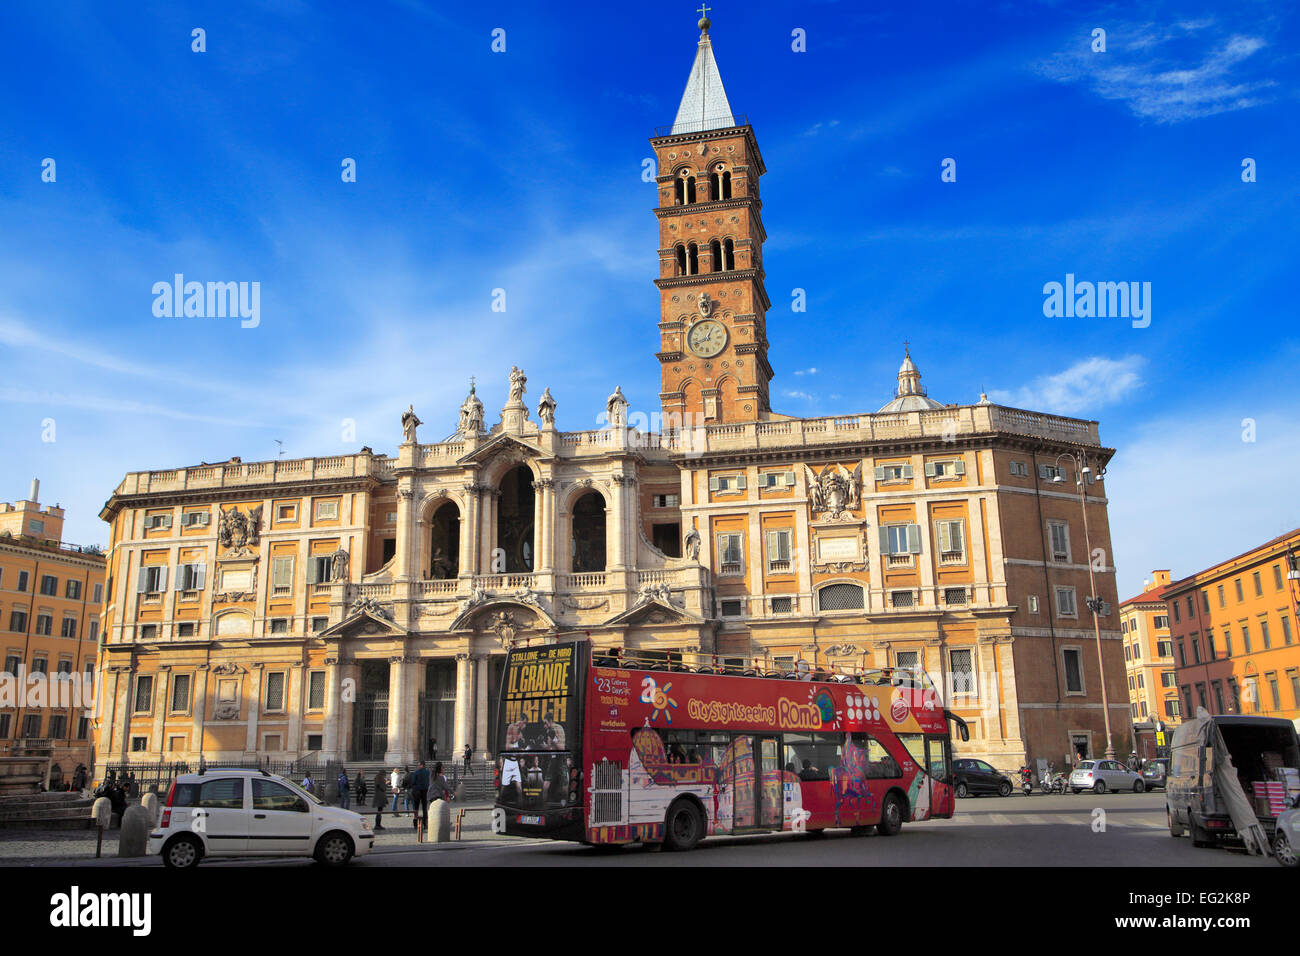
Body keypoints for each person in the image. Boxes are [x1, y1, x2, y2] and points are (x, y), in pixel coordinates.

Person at [408, 761, 431, 837]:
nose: (418, 766)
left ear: (422, 765)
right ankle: (425, 823)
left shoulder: (416, 772)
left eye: (419, 765)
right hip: (425, 791)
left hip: (417, 791)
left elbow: (413, 782)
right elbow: (429, 781)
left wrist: (414, 787)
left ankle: (416, 823)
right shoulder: (427, 772)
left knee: (416, 808)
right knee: (424, 808)